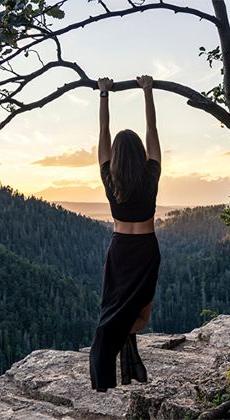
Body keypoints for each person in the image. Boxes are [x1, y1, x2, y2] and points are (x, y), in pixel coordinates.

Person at [89, 75, 162, 392]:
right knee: (139, 316)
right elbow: (153, 132)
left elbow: (103, 132)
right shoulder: (151, 174)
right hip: (146, 250)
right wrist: (148, 92)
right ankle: (128, 356)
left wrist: (104, 95)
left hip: (120, 251)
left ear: (117, 157)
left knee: (112, 313)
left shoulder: (109, 177)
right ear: (140, 154)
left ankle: (112, 368)